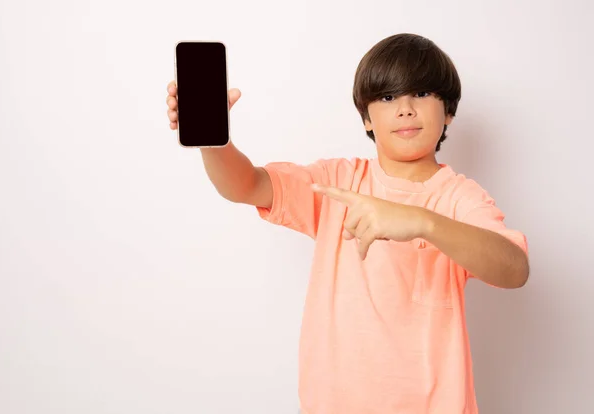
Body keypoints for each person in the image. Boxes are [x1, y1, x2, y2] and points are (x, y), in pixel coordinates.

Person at [165, 33, 529, 414]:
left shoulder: (459, 197)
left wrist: (422, 222)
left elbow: (514, 268)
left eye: (421, 94)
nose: (405, 108)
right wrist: (213, 139)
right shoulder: (338, 182)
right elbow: (248, 185)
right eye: (388, 97)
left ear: (449, 112)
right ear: (367, 118)